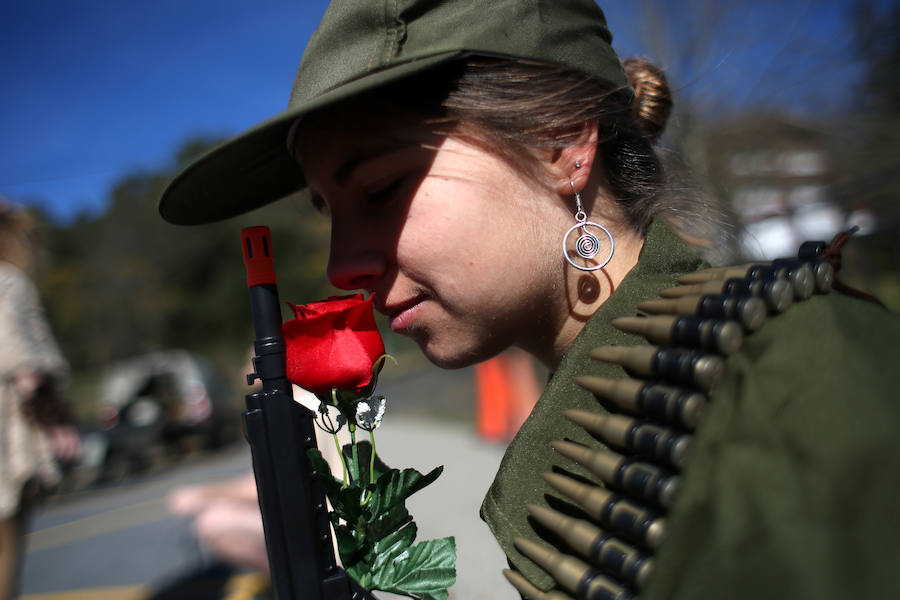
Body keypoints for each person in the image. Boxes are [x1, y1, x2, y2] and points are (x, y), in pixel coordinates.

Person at [159, 1, 900, 598]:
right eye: (328, 210)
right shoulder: (634, 394)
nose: (341, 264)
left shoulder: (786, 376)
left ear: (561, 143)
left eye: (381, 189)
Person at [0, 201, 81, 599]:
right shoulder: (8, 281)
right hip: (8, 427)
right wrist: (55, 420)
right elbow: (20, 358)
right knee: (6, 540)